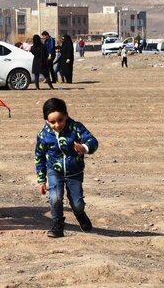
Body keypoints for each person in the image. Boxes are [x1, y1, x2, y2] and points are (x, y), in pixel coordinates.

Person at [34, 97, 99, 238]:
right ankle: (57, 225)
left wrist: (84, 148)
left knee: (77, 203)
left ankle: (80, 214)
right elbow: (39, 156)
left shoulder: (75, 128)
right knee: (55, 198)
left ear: (66, 115)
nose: (57, 125)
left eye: (60, 120)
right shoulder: (43, 135)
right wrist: (41, 179)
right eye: (52, 122)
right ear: (46, 120)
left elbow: (92, 140)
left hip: (74, 172)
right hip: (54, 171)